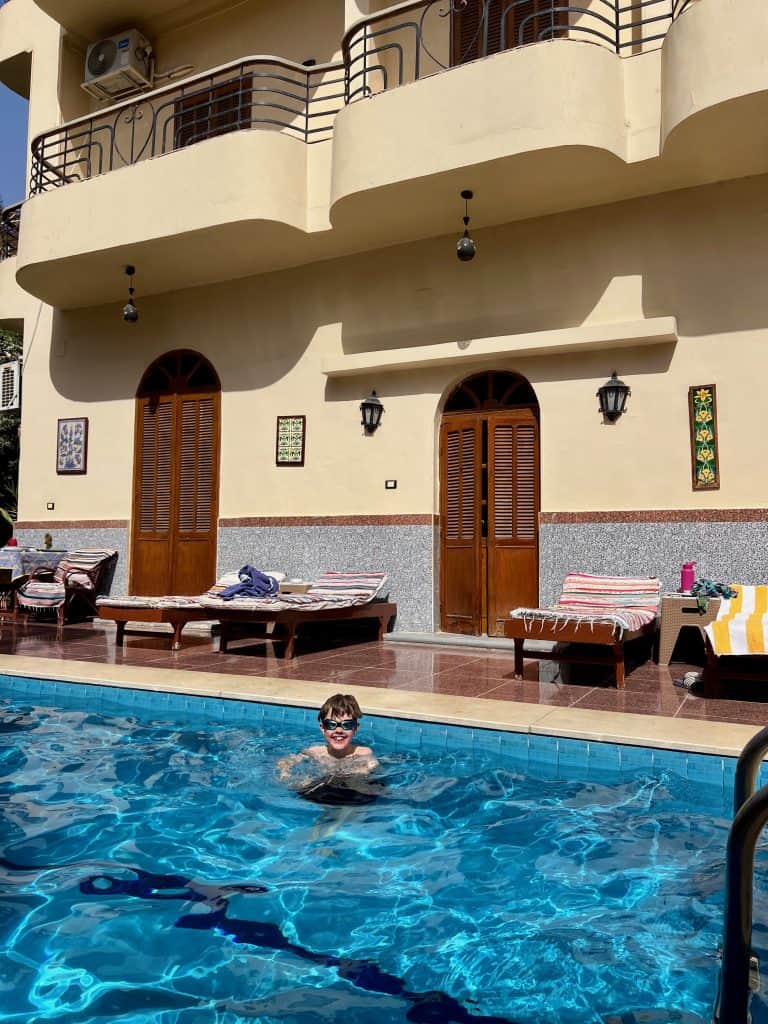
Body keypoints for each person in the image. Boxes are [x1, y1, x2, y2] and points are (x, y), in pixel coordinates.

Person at [277, 693, 378, 781]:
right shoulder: (314, 753)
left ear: (355, 728)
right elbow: (286, 761)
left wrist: (365, 770)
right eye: (331, 724)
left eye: (347, 725)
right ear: (322, 728)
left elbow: (373, 767)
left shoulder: (363, 753)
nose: (339, 730)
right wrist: (285, 773)